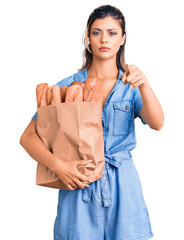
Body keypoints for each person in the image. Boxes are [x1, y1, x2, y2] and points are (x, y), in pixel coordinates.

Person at [20, 4, 164, 240]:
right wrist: (58, 166)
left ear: (123, 39)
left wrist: (145, 85)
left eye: (112, 33)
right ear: (87, 38)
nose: (104, 39)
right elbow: (27, 137)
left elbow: (158, 123)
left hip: (123, 186)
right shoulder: (68, 86)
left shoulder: (131, 84)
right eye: (96, 32)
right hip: (79, 184)